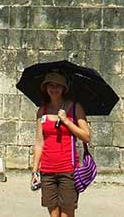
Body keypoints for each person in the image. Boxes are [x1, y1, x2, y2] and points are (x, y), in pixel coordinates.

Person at [31, 71, 90, 217]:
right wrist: (35, 171)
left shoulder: (75, 108)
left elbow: (86, 136)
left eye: (58, 85)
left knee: (67, 214)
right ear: (45, 88)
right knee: (53, 214)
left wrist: (66, 121)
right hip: (47, 170)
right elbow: (39, 142)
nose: (54, 88)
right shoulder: (42, 111)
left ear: (64, 88)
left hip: (68, 169)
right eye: (50, 85)